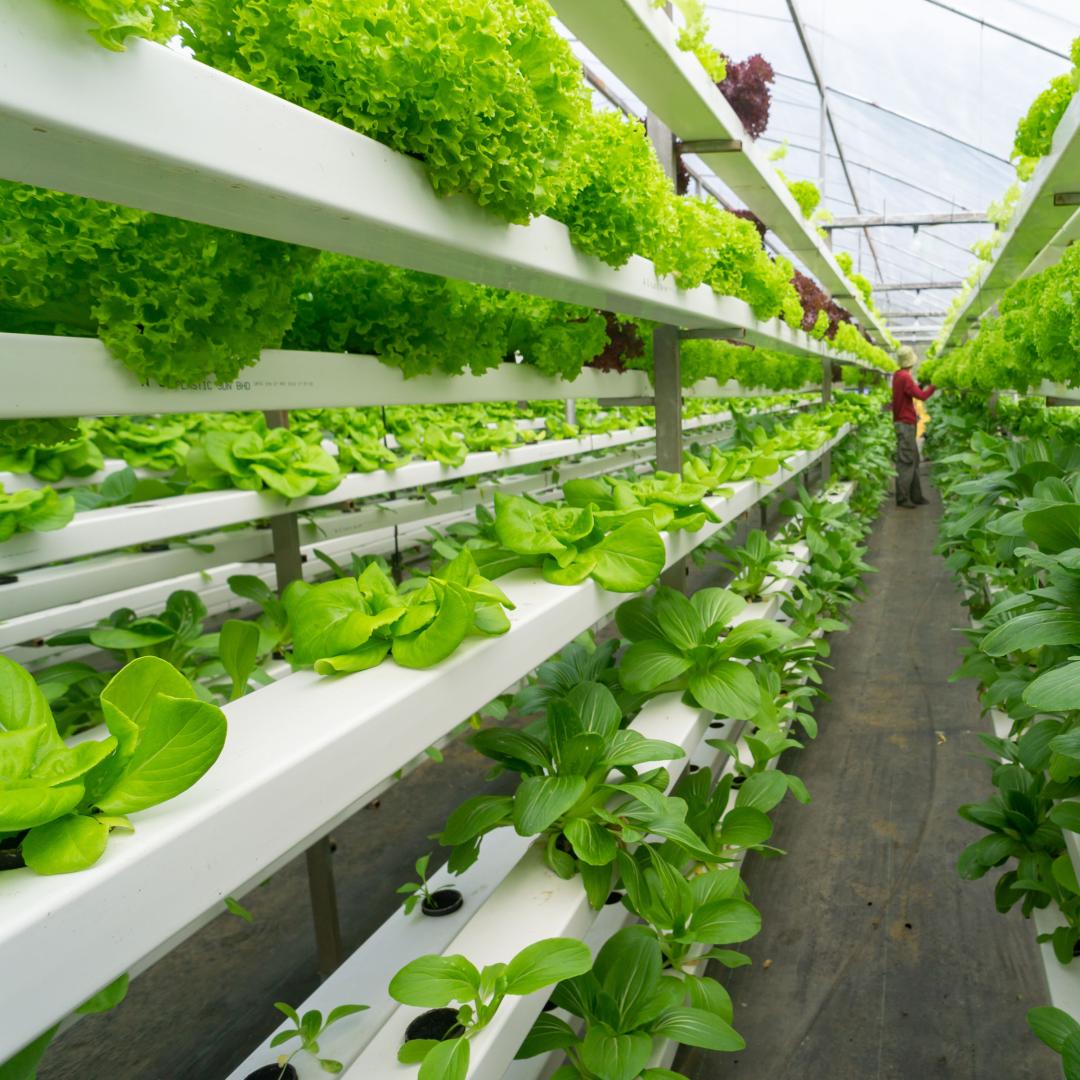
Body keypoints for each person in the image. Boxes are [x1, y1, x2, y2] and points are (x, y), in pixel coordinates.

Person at [891, 346, 936, 508]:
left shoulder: (898, 375)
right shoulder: (905, 377)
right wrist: (934, 385)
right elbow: (921, 396)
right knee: (906, 461)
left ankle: (916, 496)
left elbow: (912, 392)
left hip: (905, 423)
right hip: (905, 424)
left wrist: (923, 385)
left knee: (913, 459)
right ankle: (903, 498)